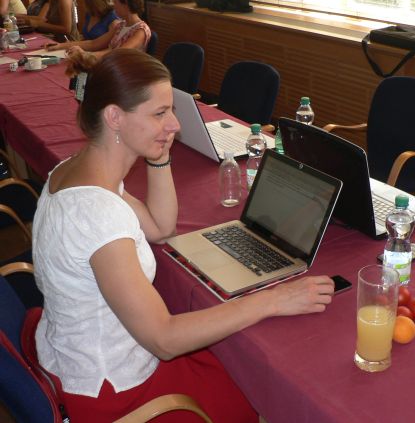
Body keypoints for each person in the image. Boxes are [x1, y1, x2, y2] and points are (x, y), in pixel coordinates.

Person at [32, 48, 334, 422]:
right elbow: (164, 339)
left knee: (235, 361)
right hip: (115, 391)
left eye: (172, 110)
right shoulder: (97, 212)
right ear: (114, 117)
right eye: (159, 113)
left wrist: (159, 153)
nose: (175, 124)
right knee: (257, 391)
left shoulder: (78, 171)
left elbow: (161, 229)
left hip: (80, 356)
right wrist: (273, 299)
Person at [46, 0, 149, 60]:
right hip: (110, 67)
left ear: (125, 4)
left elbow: (118, 53)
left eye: (115, 2)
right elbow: (94, 43)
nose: (113, 6)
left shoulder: (141, 30)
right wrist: (60, 46)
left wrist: (85, 55)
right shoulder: (121, 25)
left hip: (123, 75)